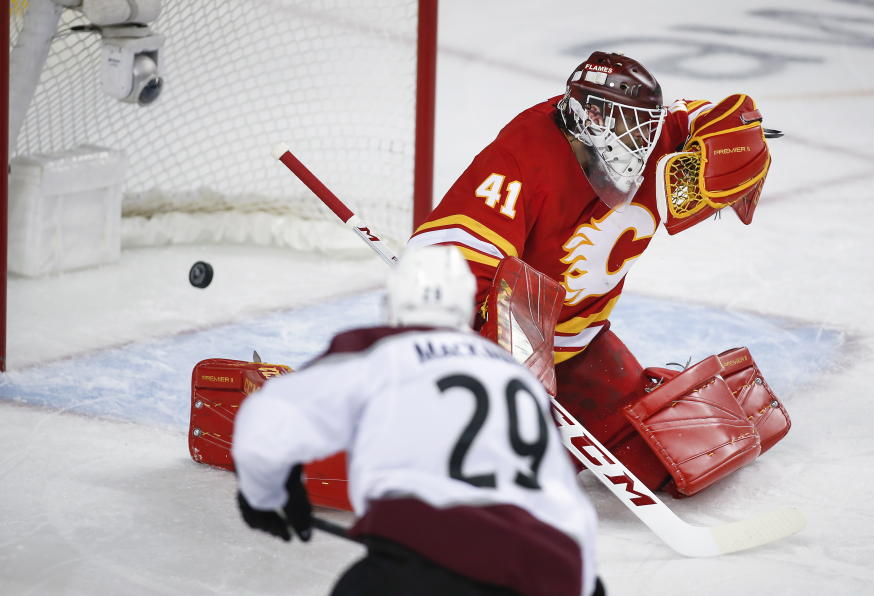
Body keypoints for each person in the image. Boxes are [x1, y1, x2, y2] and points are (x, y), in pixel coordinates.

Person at [406, 50, 778, 496]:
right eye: (628, 126)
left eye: (645, 125)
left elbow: (715, 120)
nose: (642, 141)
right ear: (591, 117)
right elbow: (448, 260)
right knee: (502, 474)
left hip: (583, 345)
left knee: (660, 463)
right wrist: (498, 357)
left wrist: (737, 144)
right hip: (505, 346)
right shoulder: (522, 155)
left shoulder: (653, 133)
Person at [232, 245, 602, 596]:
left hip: (419, 562)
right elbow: (567, 501)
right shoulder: (517, 375)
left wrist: (267, 496)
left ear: (392, 304)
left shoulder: (378, 348)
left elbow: (268, 422)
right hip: (551, 568)